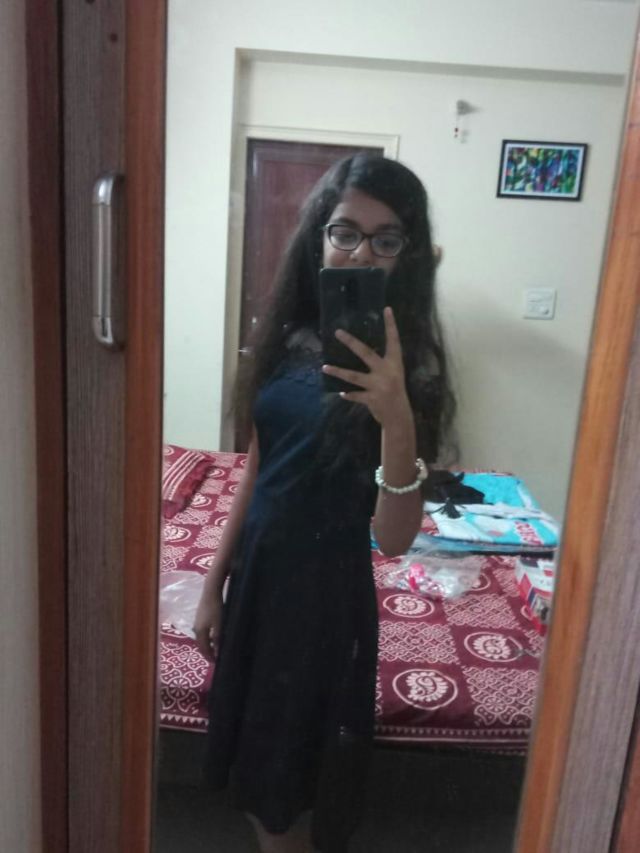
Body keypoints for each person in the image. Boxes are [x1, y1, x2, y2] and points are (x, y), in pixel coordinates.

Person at [193, 153, 455, 853]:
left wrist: (396, 416)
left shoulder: (415, 369)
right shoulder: (287, 339)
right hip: (259, 579)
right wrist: (214, 582)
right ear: (319, 237)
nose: (361, 252)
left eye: (385, 238)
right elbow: (258, 466)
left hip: (322, 599)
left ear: (407, 253)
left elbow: (393, 538)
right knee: (258, 768)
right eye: (346, 232)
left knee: (286, 790)